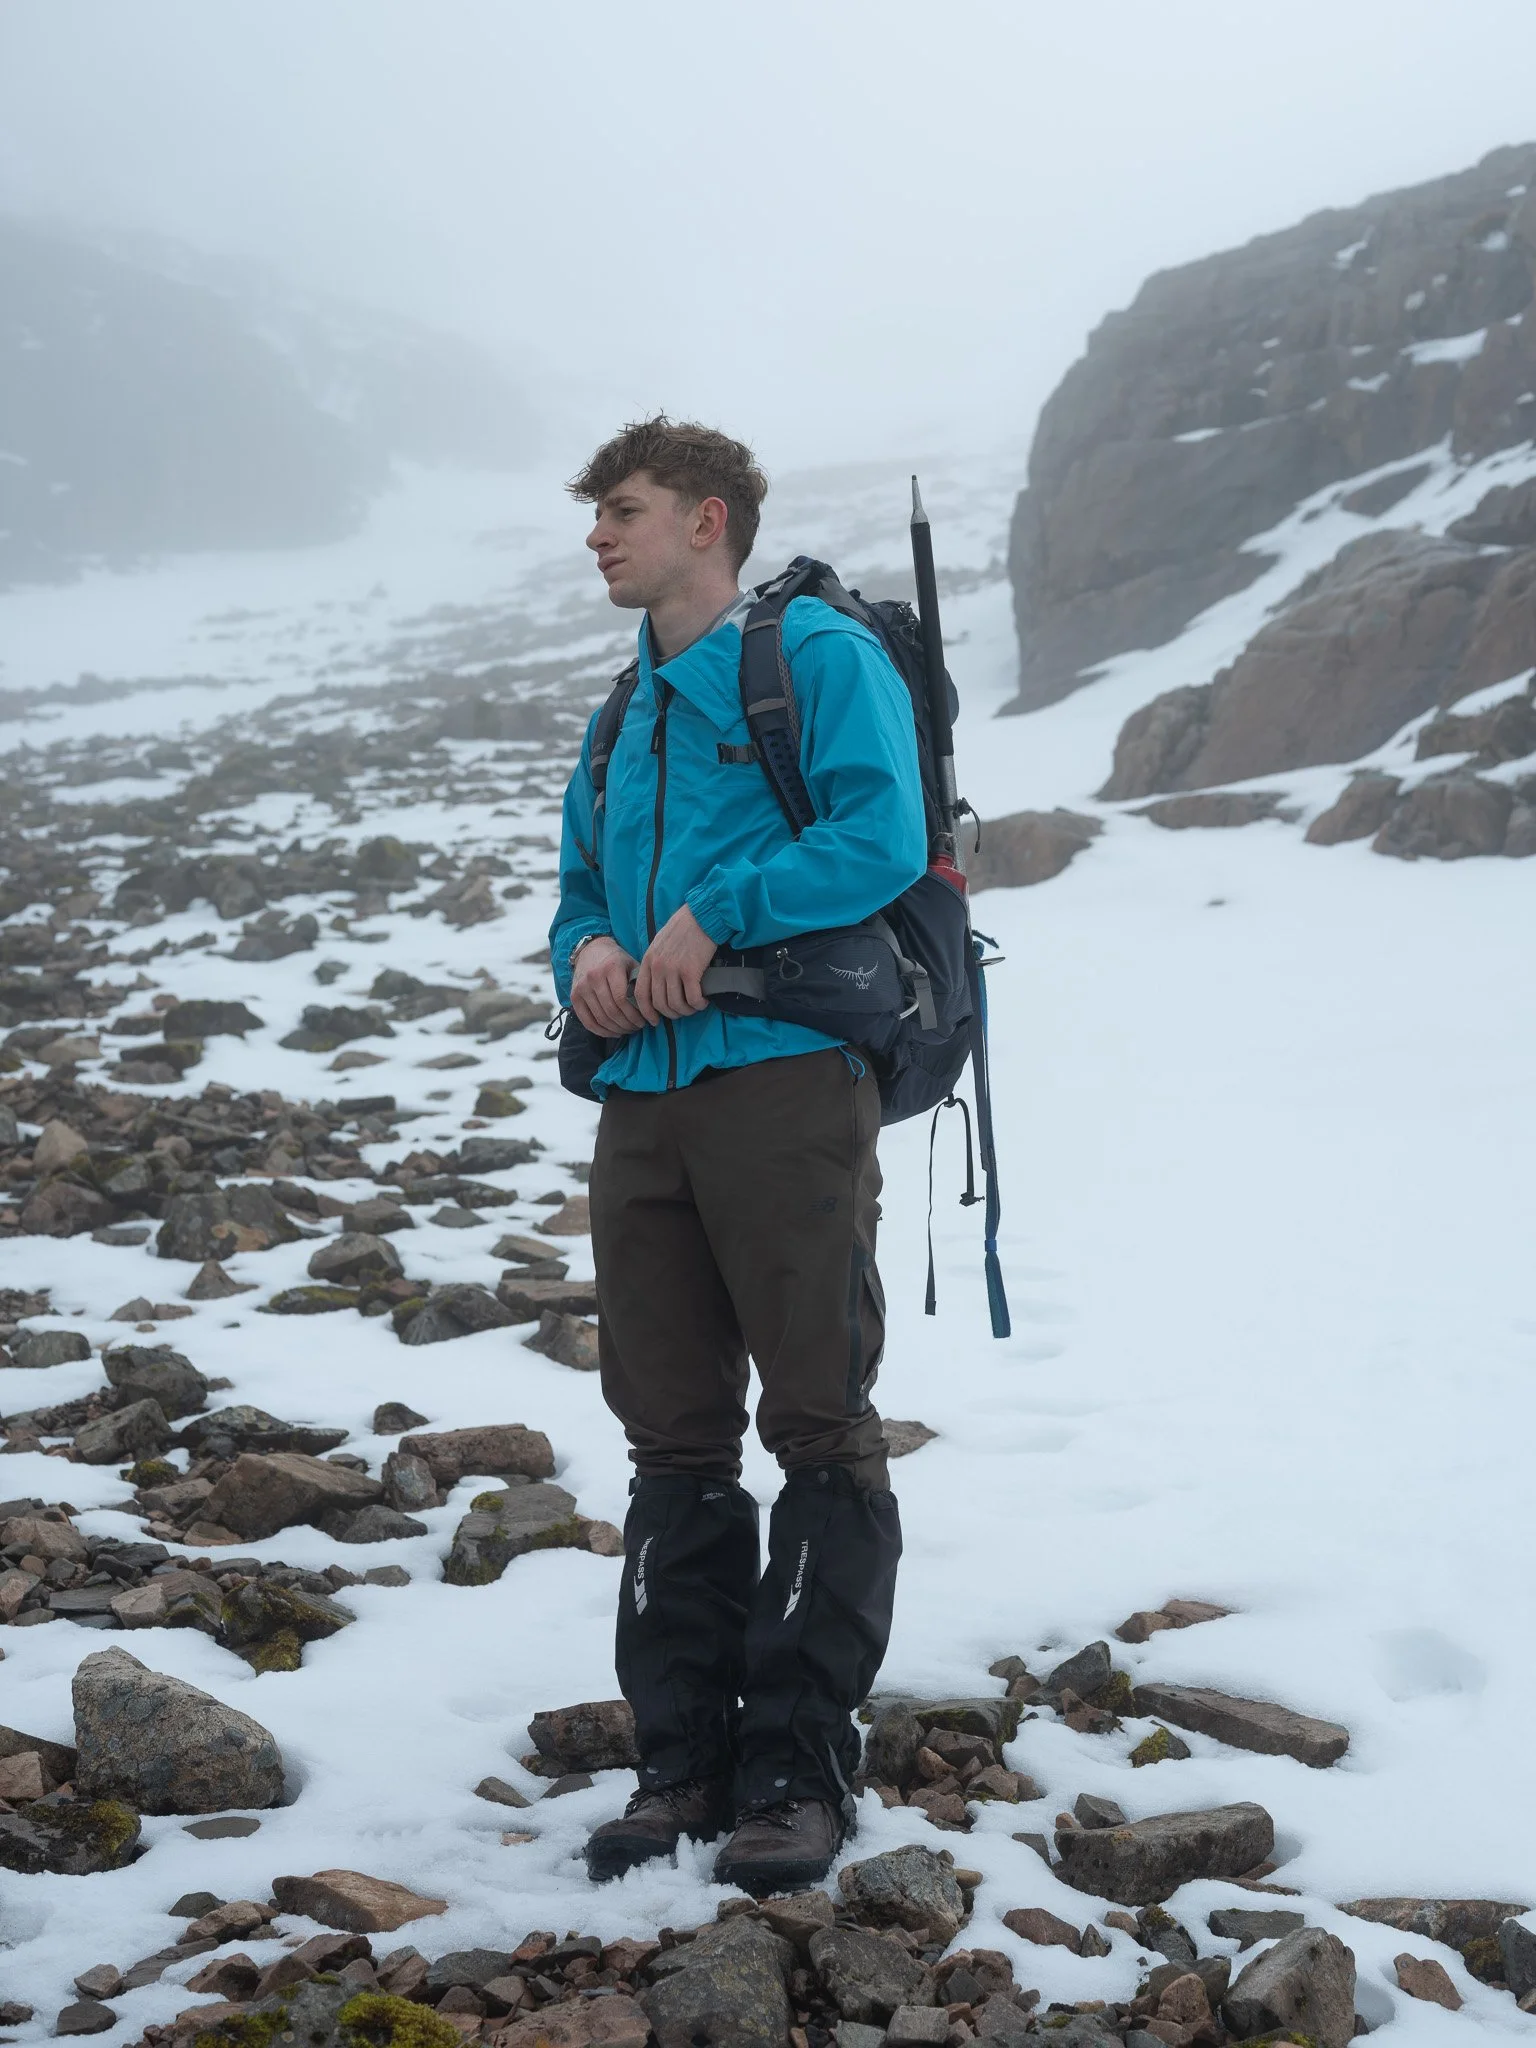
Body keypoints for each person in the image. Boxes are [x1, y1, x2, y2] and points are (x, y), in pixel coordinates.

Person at [550, 415, 926, 1894]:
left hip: (782, 1080)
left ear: (707, 521)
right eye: (594, 515)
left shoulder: (815, 656)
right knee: (670, 1433)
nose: (598, 535)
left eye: (622, 511)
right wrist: (588, 946)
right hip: (641, 1097)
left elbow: (880, 834)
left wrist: (722, 913)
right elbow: (582, 877)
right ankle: (682, 1759)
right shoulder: (619, 708)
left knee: (820, 1419)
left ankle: (800, 1770)